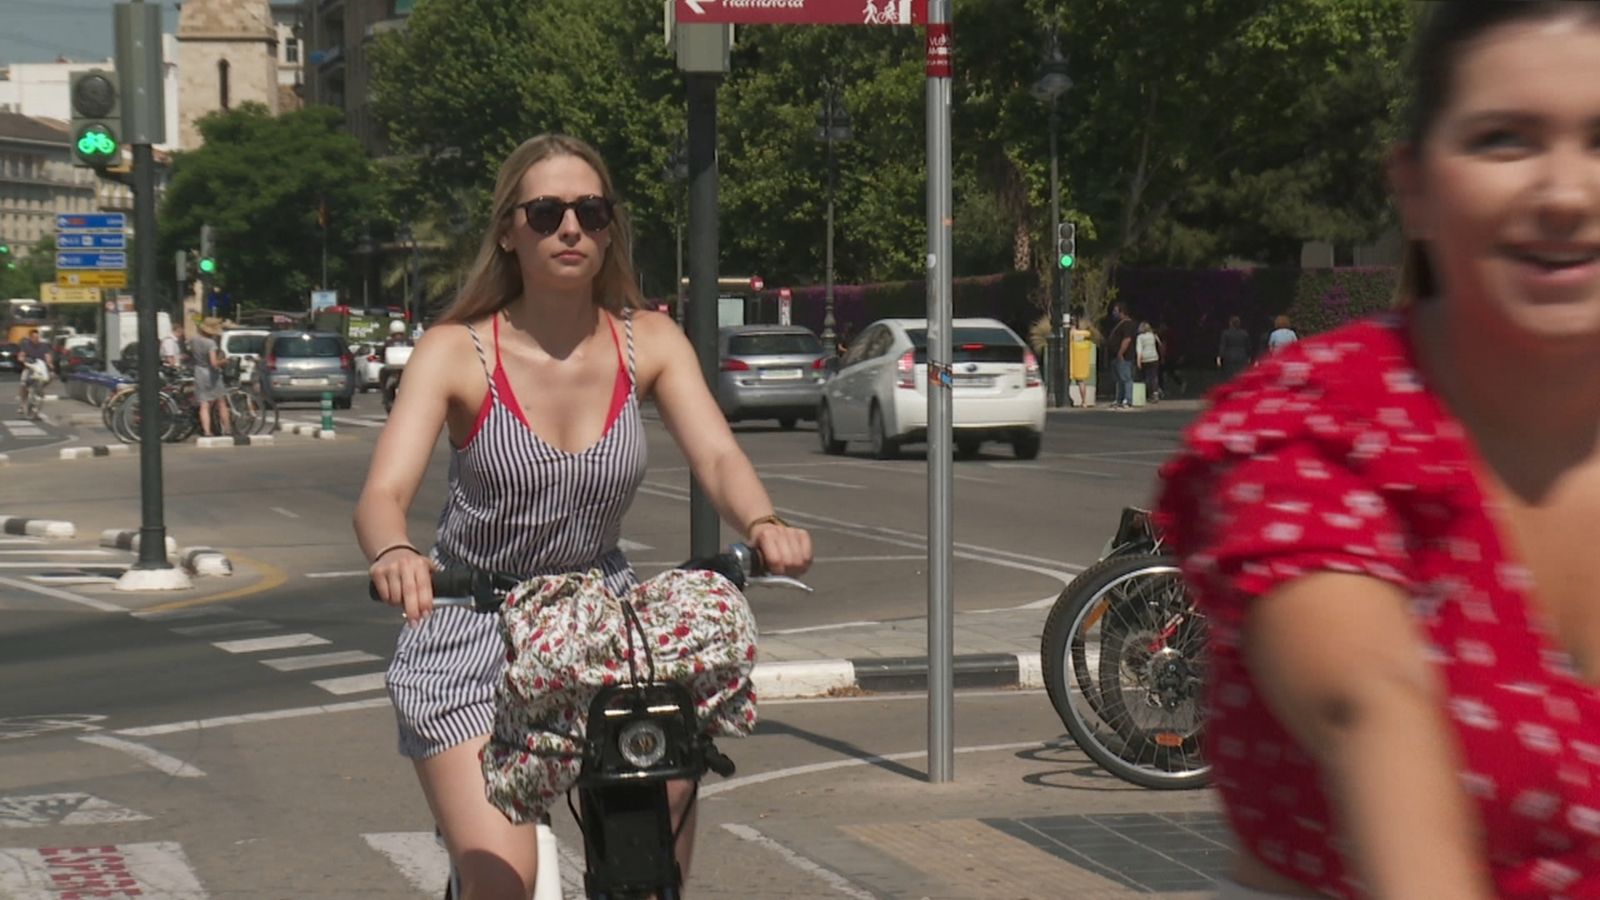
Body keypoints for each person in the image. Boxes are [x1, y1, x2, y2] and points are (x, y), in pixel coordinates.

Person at [1156, 4, 1600, 897]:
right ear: (1417, 188)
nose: (1566, 192)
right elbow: (1374, 709)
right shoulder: (1312, 427)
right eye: (1505, 140)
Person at [353, 133, 814, 900]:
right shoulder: (454, 351)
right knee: (505, 879)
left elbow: (719, 458)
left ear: (609, 229)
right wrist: (394, 553)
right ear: (509, 230)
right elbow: (382, 493)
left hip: (600, 629)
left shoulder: (650, 341)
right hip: (474, 627)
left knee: (652, 845)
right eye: (546, 212)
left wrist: (762, 521)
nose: (570, 228)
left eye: (590, 211)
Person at [190, 318, 231, 437]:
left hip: (198, 372)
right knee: (221, 402)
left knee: (204, 404)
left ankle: (207, 431)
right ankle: (227, 429)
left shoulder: (194, 340)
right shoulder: (210, 343)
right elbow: (213, 363)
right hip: (211, 374)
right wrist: (224, 361)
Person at [15, 328, 52, 415]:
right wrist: (21, 359)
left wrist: (49, 363)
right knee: (23, 384)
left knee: (50, 377)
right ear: (30, 338)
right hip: (29, 367)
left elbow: (48, 356)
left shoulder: (44, 346)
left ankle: (40, 390)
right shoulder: (26, 345)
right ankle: (22, 404)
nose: (36, 339)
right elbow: (22, 354)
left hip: (40, 367)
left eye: (37, 337)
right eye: (34, 337)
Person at [1106, 304, 1136, 409]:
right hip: (1115, 356)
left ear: (1122, 312)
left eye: (1115, 311)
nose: (1114, 313)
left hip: (1124, 356)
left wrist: (1121, 352)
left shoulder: (1127, 324)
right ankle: (1119, 398)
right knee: (1119, 379)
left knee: (1126, 377)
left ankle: (1128, 399)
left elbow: (1127, 339)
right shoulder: (1119, 324)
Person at [1216, 314, 1251, 379]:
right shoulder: (1244, 333)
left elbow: (1222, 346)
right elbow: (1248, 347)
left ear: (1230, 323)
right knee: (1241, 375)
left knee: (1229, 376)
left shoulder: (1225, 333)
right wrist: (1249, 357)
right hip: (1242, 356)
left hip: (1229, 357)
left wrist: (1219, 357)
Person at [1135, 320, 1162, 403]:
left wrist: (1138, 361)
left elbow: (1139, 349)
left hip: (1145, 359)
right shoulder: (1153, 335)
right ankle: (1156, 392)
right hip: (1154, 357)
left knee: (1146, 377)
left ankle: (1148, 394)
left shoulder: (1140, 337)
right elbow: (1160, 344)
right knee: (1154, 376)